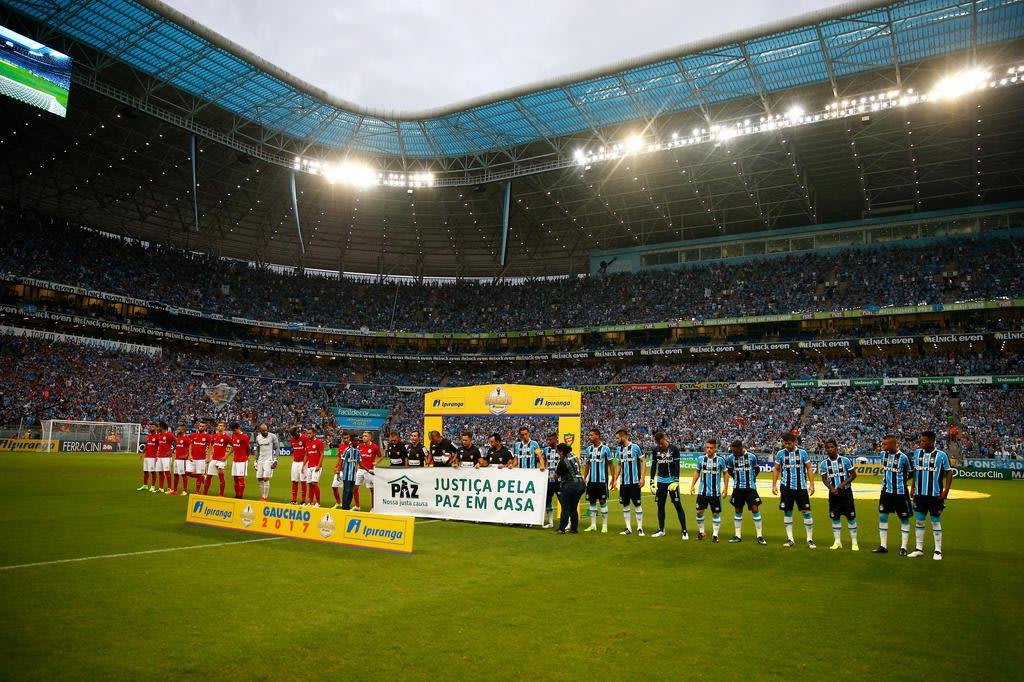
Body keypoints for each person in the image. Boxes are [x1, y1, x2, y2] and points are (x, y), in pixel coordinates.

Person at [908, 430, 953, 560]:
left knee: (935, 522)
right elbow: (916, 471)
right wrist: (912, 487)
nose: (921, 443)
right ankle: (918, 549)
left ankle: (938, 551)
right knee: (919, 521)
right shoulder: (917, 453)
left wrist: (946, 491)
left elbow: (949, 473)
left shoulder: (941, 455)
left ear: (932, 441)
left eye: (924, 441)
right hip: (920, 494)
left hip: (935, 495)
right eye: (921, 441)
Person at [771, 432, 816, 549]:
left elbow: (809, 468)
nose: (787, 445)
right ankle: (790, 539)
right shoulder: (780, 454)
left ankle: (810, 539)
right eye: (785, 443)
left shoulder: (802, 453)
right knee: (788, 512)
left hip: (801, 487)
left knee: (806, 511)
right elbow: (776, 469)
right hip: (786, 488)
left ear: (795, 442)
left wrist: (812, 484)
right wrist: (774, 485)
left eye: (789, 443)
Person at [872, 434, 913, 556]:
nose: (882, 446)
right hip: (885, 492)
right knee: (883, 517)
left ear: (893, 444)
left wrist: (902, 482)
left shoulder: (903, 458)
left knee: (904, 518)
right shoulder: (882, 455)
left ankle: (903, 547)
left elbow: (910, 473)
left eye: (885, 444)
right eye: (882, 443)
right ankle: (883, 545)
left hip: (900, 493)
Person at [819, 438, 859, 551]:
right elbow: (824, 479)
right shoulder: (824, 463)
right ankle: (837, 542)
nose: (830, 449)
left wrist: (842, 484)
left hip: (846, 493)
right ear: (825, 449)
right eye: (828, 447)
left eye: (832, 447)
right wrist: (831, 488)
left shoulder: (845, 460)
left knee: (851, 517)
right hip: (833, 494)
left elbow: (853, 475)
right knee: (834, 517)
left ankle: (854, 543)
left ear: (836, 448)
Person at [649, 432, 688, 540]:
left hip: (672, 482)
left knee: (677, 505)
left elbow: (677, 466)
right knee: (660, 506)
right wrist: (651, 481)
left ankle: (684, 531)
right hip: (661, 482)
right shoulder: (655, 450)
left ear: (665, 438)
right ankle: (661, 530)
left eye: (661, 443)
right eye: (658, 444)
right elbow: (653, 466)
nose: (660, 446)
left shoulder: (674, 449)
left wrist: (676, 481)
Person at [725, 439, 764, 544]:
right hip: (737, 489)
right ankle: (737, 536)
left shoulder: (752, 457)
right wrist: (736, 477)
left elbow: (757, 469)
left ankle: (760, 536)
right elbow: (729, 471)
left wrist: (752, 478)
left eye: (735, 451)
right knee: (738, 510)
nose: (733, 453)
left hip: (750, 488)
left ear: (740, 448)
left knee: (755, 509)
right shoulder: (730, 458)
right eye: (732, 451)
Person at [690, 438, 727, 542]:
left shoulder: (720, 460)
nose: (709, 450)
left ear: (715, 448)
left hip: (715, 493)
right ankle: (702, 532)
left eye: (711, 448)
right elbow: (697, 472)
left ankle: (715, 535)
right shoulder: (701, 459)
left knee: (716, 513)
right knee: (699, 511)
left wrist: (726, 487)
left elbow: (725, 473)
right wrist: (692, 485)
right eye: (707, 447)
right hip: (702, 492)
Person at [614, 429, 645, 536]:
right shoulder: (619, 449)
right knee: (625, 505)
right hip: (624, 483)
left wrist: (642, 478)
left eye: (617, 438)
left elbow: (643, 461)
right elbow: (619, 464)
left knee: (637, 504)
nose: (616, 440)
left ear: (623, 437)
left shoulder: (635, 447)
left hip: (634, 482)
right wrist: (615, 479)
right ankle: (628, 528)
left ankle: (640, 528)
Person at [583, 429, 613, 533]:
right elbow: (587, 464)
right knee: (592, 502)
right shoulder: (588, 449)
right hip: (591, 481)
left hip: (602, 480)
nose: (589, 437)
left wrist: (613, 478)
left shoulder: (606, 449)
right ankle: (593, 525)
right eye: (589, 435)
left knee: (602, 501)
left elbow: (610, 464)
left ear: (597, 436)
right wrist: (584, 477)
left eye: (591, 435)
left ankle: (604, 525)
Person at [554, 443, 585, 533]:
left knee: (565, 508)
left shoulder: (563, 461)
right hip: (581, 484)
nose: (558, 454)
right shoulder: (574, 456)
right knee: (573, 507)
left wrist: (548, 476)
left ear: (561, 452)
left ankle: (561, 529)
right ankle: (574, 529)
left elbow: (556, 476)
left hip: (570, 485)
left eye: (558, 452)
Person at [355, 431, 382, 510]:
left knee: (372, 490)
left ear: (370, 437)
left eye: (366, 436)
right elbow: (357, 458)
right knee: (355, 488)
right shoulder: (359, 446)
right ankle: (357, 506)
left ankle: (373, 508)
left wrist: (376, 462)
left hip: (370, 471)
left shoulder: (375, 447)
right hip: (360, 470)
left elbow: (380, 456)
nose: (363, 437)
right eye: (363, 436)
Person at [254, 423, 280, 502]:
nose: (265, 432)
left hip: (269, 460)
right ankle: (262, 497)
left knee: (265, 478)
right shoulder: (258, 438)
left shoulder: (272, 436)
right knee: (259, 478)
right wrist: (255, 461)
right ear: (260, 431)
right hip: (260, 460)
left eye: (266, 430)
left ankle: (265, 497)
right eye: (263, 431)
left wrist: (275, 460)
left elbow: (277, 448)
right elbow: (257, 451)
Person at [205, 421, 231, 496]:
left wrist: (226, 455)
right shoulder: (214, 436)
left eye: (221, 426)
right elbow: (210, 446)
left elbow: (234, 446)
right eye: (219, 425)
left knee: (221, 476)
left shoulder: (227, 437)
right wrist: (209, 456)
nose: (220, 427)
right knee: (209, 476)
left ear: (224, 427)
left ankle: (221, 494)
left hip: (221, 460)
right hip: (214, 459)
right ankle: (205, 493)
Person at [335, 435, 361, 510]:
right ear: (352, 441)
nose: (357, 442)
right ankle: (344, 507)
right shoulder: (348, 450)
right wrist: (338, 472)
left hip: (353, 475)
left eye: (358, 441)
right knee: (346, 490)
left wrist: (368, 470)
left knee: (351, 491)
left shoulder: (357, 451)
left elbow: (359, 463)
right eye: (356, 441)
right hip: (346, 474)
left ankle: (347, 506)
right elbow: (341, 461)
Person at [542, 433, 561, 528]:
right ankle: (550, 522)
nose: (549, 442)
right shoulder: (546, 450)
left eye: (551, 440)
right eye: (548, 440)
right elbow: (544, 462)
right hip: (548, 480)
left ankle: (569, 522)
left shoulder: (561, 449)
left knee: (563, 501)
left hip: (559, 480)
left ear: (555, 439)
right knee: (548, 500)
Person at [188, 421, 212, 495]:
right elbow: (190, 445)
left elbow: (210, 447)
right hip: (193, 458)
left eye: (203, 426)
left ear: (205, 427)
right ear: (198, 426)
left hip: (201, 459)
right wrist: (189, 455)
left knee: (198, 474)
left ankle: (197, 492)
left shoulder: (208, 436)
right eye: (200, 426)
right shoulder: (193, 435)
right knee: (187, 472)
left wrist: (208, 457)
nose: (201, 427)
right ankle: (202, 477)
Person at [229, 422, 251, 499]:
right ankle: (236, 495)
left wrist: (247, 456)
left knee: (240, 478)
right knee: (235, 478)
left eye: (234, 430)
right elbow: (234, 447)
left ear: (238, 428)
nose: (233, 432)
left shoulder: (244, 436)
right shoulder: (234, 435)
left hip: (242, 460)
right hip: (235, 460)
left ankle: (240, 496)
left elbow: (248, 448)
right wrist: (227, 455)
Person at [304, 427, 325, 507]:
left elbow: (322, 454)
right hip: (309, 466)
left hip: (316, 466)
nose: (308, 435)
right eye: (307, 433)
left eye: (310, 433)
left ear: (314, 433)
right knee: (309, 484)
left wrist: (319, 465)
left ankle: (318, 503)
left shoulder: (319, 442)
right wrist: (303, 466)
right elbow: (306, 454)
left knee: (314, 483)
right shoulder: (307, 442)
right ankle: (311, 502)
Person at [331, 432, 352, 507]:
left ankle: (349, 505)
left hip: (349, 471)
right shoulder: (341, 446)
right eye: (344, 438)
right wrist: (336, 466)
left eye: (347, 438)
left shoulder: (352, 446)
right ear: (342, 438)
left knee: (348, 489)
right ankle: (338, 502)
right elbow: (339, 457)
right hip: (340, 470)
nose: (346, 439)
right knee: (334, 486)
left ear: (349, 438)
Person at [288, 426, 308, 505]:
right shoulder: (292, 439)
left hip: (303, 462)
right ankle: (294, 500)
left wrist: (305, 463)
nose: (293, 436)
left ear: (298, 431)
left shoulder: (304, 438)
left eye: (294, 434)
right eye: (292, 435)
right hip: (295, 462)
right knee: (294, 481)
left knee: (303, 481)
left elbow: (307, 451)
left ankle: (303, 501)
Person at [169, 425, 190, 495]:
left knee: (183, 475)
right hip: (177, 459)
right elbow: (177, 446)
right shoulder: (178, 438)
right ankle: (175, 490)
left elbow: (190, 447)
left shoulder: (186, 438)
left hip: (183, 460)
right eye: (178, 429)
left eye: (179, 429)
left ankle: (185, 491)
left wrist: (187, 455)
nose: (178, 430)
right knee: (175, 474)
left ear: (183, 430)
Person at [155, 422, 174, 493]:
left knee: (167, 472)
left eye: (158, 427)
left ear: (162, 427)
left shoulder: (169, 434)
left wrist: (171, 451)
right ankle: (161, 488)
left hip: (167, 457)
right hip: (160, 456)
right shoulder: (159, 435)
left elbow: (176, 442)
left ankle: (170, 489)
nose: (157, 428)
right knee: (160, 472)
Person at [139, 423, 158, 492]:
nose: (151, 428)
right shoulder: (149, 436)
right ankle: (145, 485)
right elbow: (146, 445)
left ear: (156, 428)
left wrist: (157, 455)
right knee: (145, 471)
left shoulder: (158, 436)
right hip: (147, 456)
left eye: (153, 427)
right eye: (150, 427)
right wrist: (142, 453)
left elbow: (160, 447)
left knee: (153, 472)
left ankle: (153, 486)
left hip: (153, 457)